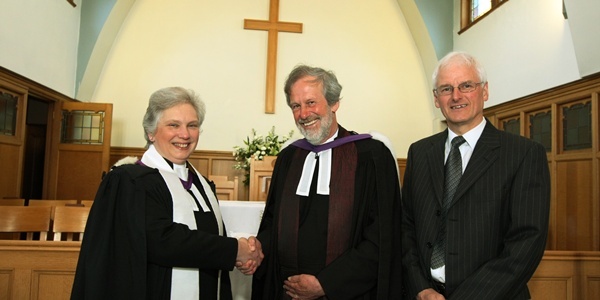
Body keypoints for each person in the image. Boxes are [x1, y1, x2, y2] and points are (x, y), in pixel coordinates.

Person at [71, 87, 264, 300]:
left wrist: (241, 253)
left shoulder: (200, 184)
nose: (185, 134)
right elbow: (161, 241)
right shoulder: (130, 181)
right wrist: (235, 250)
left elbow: (208, 236)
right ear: (150, 132)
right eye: (173, 125)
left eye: (192, 125)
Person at [401, 51, 550, 299]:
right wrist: (420, 288)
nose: (456, 96)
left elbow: (527, 242)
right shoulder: (419, 152)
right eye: (446, 89)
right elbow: (406, 227)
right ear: (436, 99)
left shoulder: (523, 154)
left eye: (466, 85)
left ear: (485, 91)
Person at [251, 65, 403, 299]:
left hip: (347, 293)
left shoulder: (371, 156)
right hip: (288, 292)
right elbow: (273, 221)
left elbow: (382, 237)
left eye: (311, 103)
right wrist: (257, 248)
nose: (303, 114)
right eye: (296, 106)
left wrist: (326, 284)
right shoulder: (289, 158)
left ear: (334, 103)